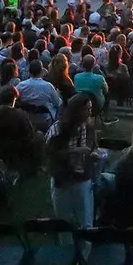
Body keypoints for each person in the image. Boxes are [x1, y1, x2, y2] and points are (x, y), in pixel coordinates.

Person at [45, 94, 97, 231]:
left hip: (82, 177)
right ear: (76, 111)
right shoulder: (58, 129)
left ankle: (85, 250)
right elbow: (50, 153)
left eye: (90, 109)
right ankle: (66, 249)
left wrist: (94, 155)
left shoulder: (90, 128)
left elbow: (92, 148)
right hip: (63, 178)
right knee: (64, 221)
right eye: (87, 109)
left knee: (85, 220)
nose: (90, 113)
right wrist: (75, 151)